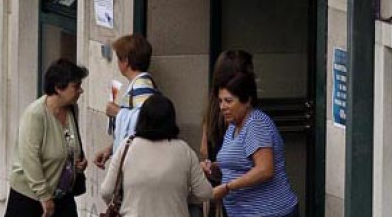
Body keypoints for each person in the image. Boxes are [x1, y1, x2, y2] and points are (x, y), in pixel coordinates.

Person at [203, 71, 298, 217]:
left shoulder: (256, 124)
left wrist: (228, 187)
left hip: (269, 212)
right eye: (220, 101)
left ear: (246, 100)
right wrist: (212, 168)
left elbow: (265, 170)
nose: (222, 107)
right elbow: (236, 165)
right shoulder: (234, 125)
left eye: (228, 101)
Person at [100, 94, 213, 216]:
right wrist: (182, 193)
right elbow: (205, 193)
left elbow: (106, 191)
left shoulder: (127, 147)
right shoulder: (184, 150)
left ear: (142, 118)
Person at [5, 59, 89, 217]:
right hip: (30, 199)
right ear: (58, 88)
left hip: (62, 197)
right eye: (76, 86)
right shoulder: (35, 114)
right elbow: (29, 158)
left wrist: (76, 163)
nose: (80, 91)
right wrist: (44, 196)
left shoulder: (72, 110)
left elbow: (67, 147)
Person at [200, 51, 253, 217]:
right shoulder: (240, 112)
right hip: (241, 196)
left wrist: (211, 166)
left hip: (220, 191)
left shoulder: (214, 106)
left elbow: (204, 150)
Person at [93, 34, 158, 169]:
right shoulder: (138, 84)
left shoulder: (142, 86)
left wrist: (118, 112)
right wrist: (110, 149)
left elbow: (147, 119)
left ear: (126, 61)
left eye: (118, 58)